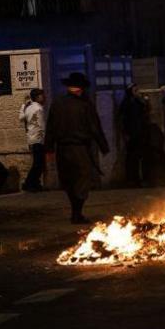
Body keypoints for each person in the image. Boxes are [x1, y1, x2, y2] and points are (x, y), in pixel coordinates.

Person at [44, 73, 110, 223]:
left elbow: (51, 127)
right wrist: (103, 146)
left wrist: (48, 148)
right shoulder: (85, 105)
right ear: (81, 89)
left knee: (68, 180)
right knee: (82, 179)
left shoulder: (57, 103)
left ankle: (75, 211)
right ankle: (76, 212)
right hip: (79, 149)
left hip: (62, 149)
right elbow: (95, 127)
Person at [119, 84, 151, 187]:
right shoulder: (128, 103)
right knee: (133, 158)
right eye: (135, 90)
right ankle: (133, 179)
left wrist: (146, 101)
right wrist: (126, 133)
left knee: (142, 156)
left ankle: (142, 179)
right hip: (133, 134)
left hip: (141, 133)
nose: (138, 91)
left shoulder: (138, 102)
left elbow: (146, 112)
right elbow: (124, 119)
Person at [19, 89, 47, 191]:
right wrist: (45, 139)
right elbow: (41, 125)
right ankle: (29, 184)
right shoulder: (39, 108)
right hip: (38, 138)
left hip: (31, 138)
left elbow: (21, 117)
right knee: (38, 164)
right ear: (37, 97)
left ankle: (34, 183)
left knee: (37, 163)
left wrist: (23, 105)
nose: (44, 97)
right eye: (42, 95)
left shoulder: (29, 108)